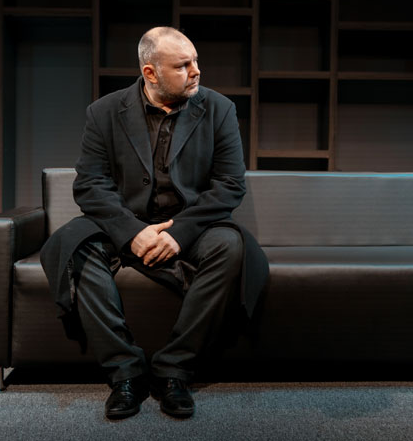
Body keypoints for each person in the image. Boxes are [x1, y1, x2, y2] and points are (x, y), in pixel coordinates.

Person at [40, 27, 268, 419]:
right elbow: (91, 185)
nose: (196, 71)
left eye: (195, 61)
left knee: (232, 247)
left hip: (192, 225)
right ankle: (125, 373)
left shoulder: (219, 109)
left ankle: (173, 370)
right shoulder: (104, 112)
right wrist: (132, 232)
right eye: (183, 65)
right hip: (124, 223)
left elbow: (230, 185)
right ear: (150, 73)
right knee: (74, 246)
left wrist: (179, 232)